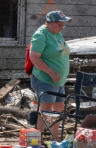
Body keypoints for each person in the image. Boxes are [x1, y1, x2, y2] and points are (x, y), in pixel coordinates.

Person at [28, 10, 72, 139]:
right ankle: (37, 141)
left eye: (64, 24)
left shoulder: (57, 33)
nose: (62, 27)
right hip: (45, 79)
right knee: (45, 111)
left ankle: (55, 138)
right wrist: (51, 71)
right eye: (60, 24)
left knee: (58, 109)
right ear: (50, 22)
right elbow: (34, 57)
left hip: (58, 81)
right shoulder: (41, 35)